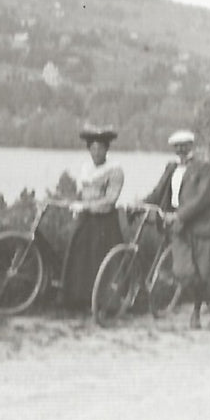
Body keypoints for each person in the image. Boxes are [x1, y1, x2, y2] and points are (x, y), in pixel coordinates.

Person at [143, 129, 210, 330]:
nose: (180, 150)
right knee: (184, 271)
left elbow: (201, 199)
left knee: (202, 273)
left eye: (183, 146)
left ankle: (196, 315)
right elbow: (158, 192)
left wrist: (179, 215)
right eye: (176, 147)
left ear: (191, 146)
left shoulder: (204, 168)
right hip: (178, 228)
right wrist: (140, 204)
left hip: (200, 228)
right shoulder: (171, 168)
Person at [60, 125, 125, 308]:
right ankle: (78, 298)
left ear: (107, 149)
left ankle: (105, 302)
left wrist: (86, 206)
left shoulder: (115, 170)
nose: (96, 152)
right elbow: (84, 193)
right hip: (86, 219)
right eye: (93, 148)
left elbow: (110, 199)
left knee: (100, 257)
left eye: (100, 148)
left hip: (105, 221)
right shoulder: (86, 168)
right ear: (89, 149)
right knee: (80, 253)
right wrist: (77, 205)